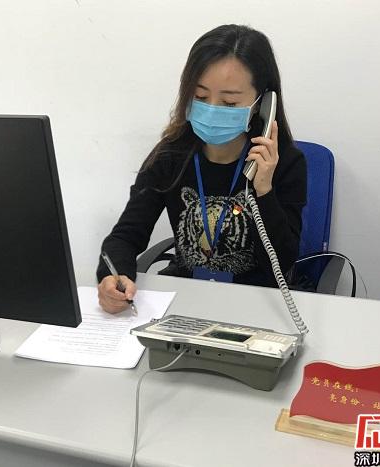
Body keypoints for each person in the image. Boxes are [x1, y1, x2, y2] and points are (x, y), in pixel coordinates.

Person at [97, 24, 307, 313]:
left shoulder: (286, 163)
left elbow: (281, 265)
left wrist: (264, 190)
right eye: (200, 97)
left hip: (258, 305)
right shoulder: (170, 156)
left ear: (263, 104)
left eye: (229, 102)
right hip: (185, 298)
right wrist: (113, 277)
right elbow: (126, 235)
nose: (212, 109)